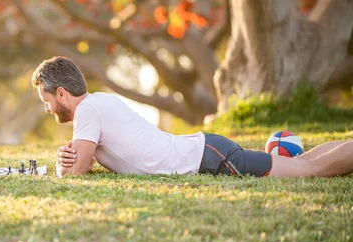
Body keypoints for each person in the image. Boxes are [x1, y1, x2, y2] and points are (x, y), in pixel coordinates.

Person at [32, 56, 353, 178]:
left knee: (310, 170)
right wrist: (71, 161)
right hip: (206, 150)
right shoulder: (99, 102)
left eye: (46, 100)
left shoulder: (87, 110)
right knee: (306, 162)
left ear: (62, 93)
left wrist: (65, 166)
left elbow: (78, 171)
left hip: (207, 158)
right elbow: (85, 162)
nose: (47, 109)